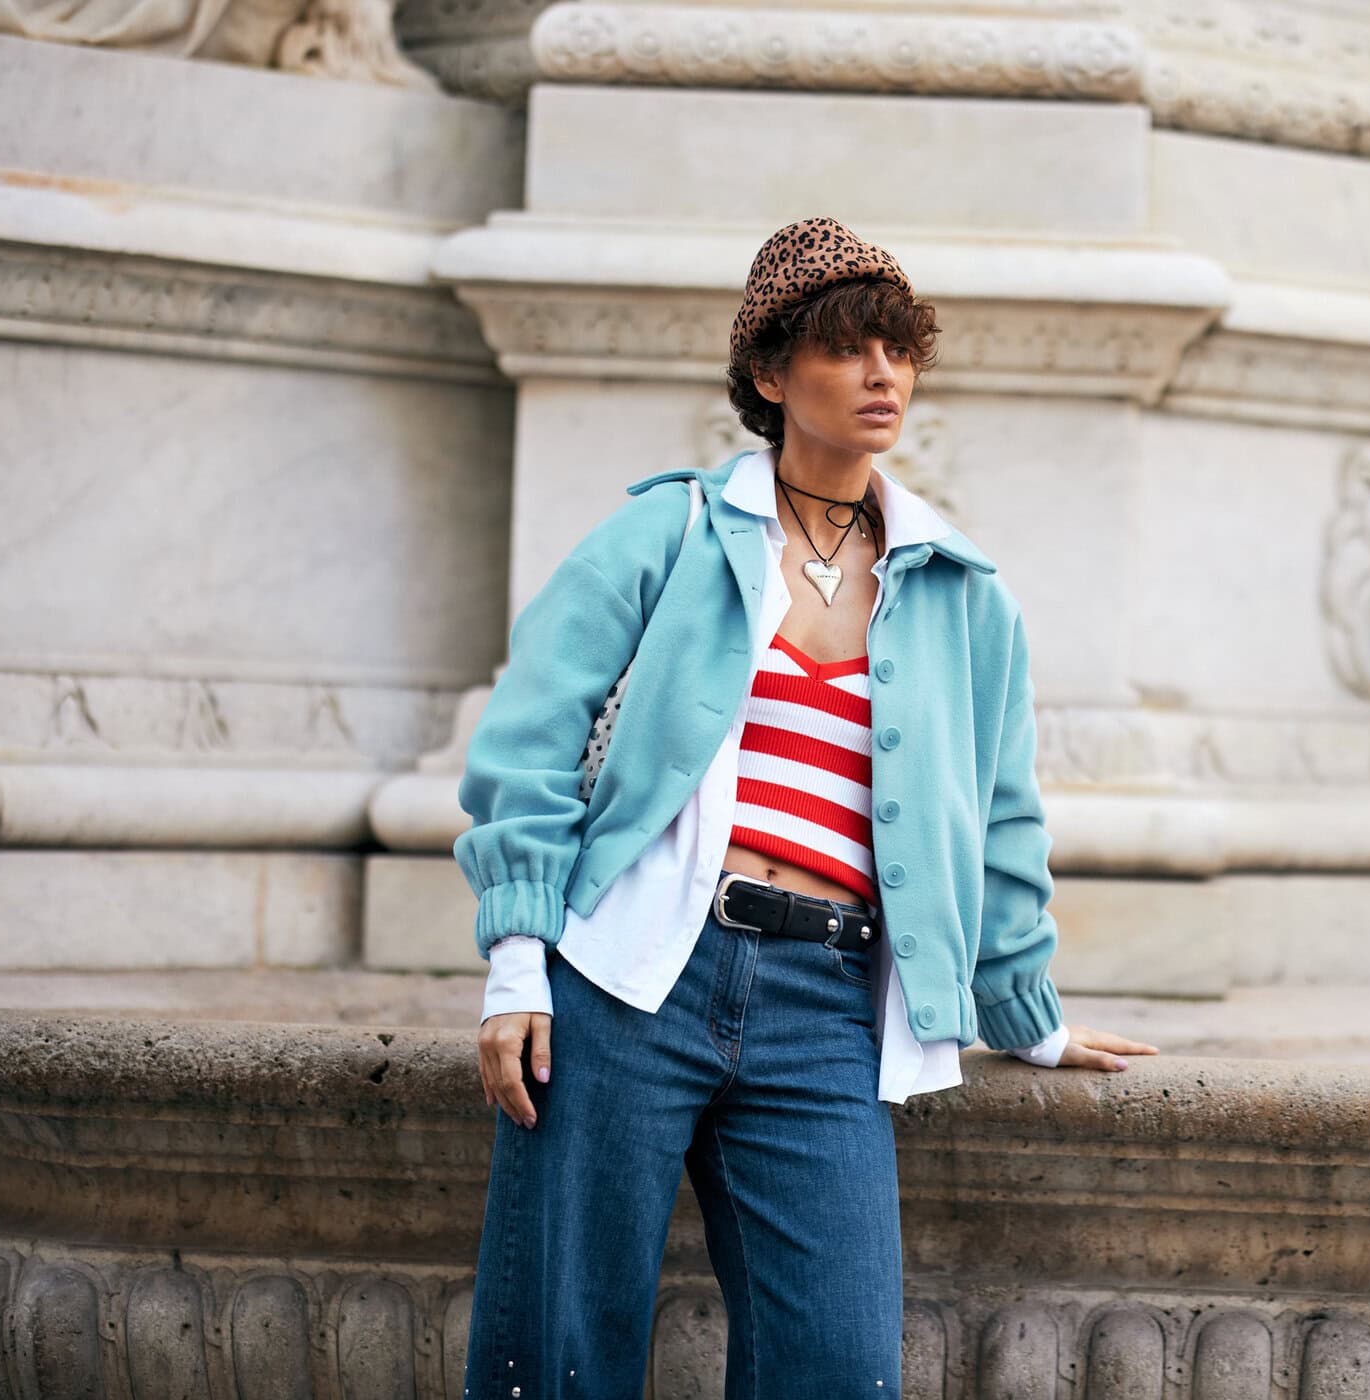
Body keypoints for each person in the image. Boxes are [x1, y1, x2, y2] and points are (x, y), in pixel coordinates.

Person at [455, 215, 1158, 1399]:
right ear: (772, 376)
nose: (883, 374)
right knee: (559, 1351)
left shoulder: (963, 592)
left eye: (899, 347)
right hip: (632, 976)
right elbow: (528, 737)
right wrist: (519, 960)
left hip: (829, 1002)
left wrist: (1021, 1005)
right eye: (846, 348)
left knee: (839, 1361)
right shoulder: (673, 529)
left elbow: (1000, 816)